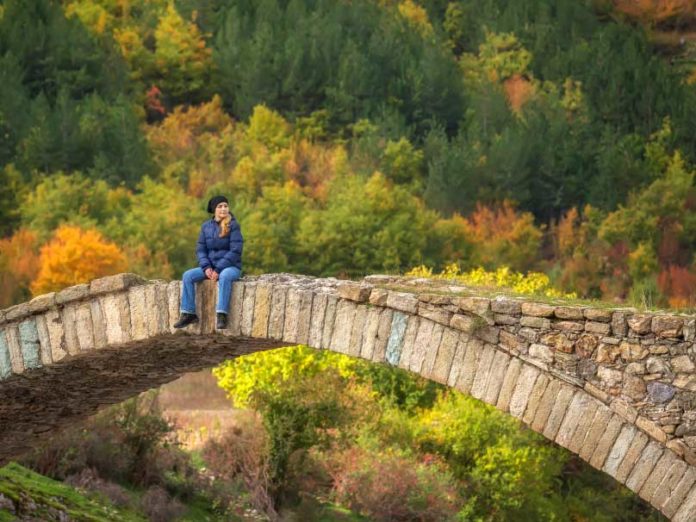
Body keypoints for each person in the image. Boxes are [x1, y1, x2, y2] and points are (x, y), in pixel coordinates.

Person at [173, 195, 243, 330]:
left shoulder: (233, 225)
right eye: (220, 206)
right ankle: (188, 313)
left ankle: (221, 314)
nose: (223, 209)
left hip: (230, 267)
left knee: (225, 276)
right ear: (214, 210)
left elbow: (235, 250)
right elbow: (200, 249)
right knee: (188, 275)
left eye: (225, 206)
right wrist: (206, 267)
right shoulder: (206, 227)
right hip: (210, 267)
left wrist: (218, 269)